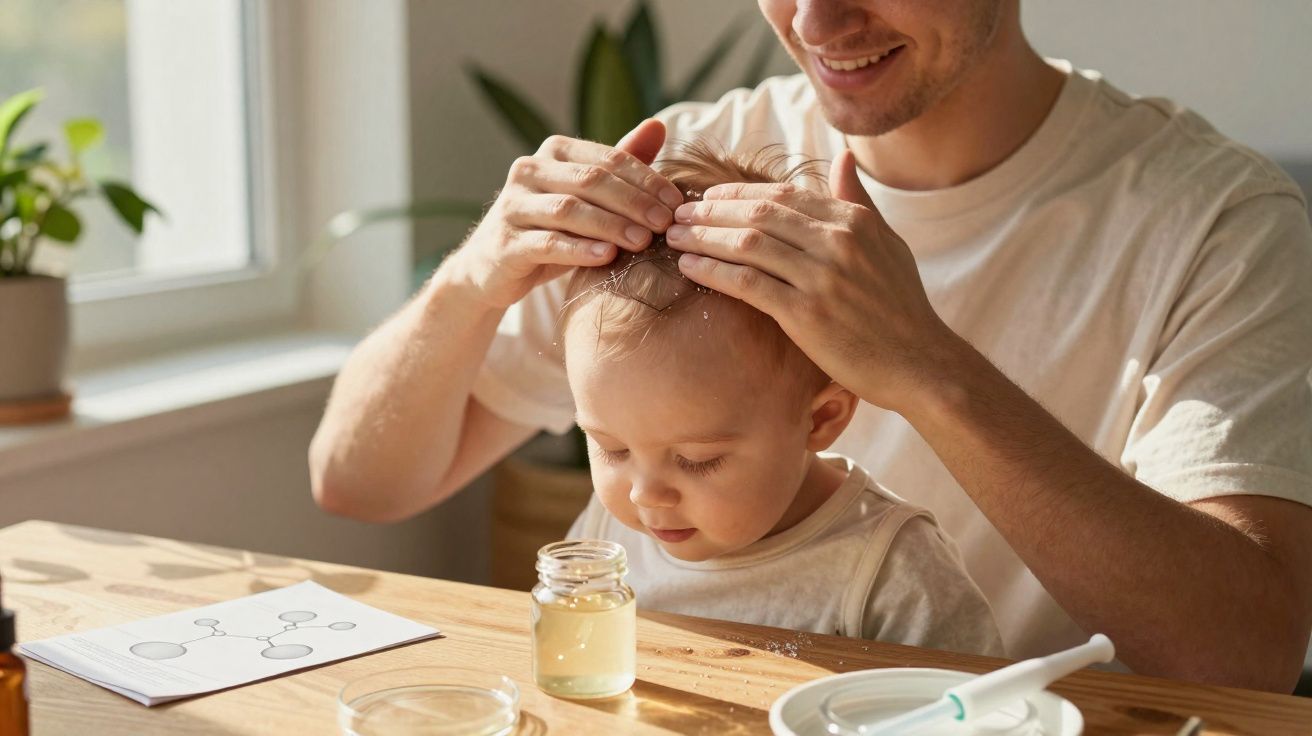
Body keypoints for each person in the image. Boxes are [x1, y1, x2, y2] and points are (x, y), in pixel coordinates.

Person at [309, 0, 1312, 691]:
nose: (817, 23)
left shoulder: (1216, 221)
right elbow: (359, 482)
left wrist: (926, 368)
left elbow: (1247, 656)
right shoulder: (694, 170)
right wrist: (477, 273)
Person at [557, 141, 1003, 655]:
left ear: (822, 419)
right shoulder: (609, 533)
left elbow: (969, 698)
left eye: (697, 459)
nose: (644, 495)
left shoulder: (889, 570)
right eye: (611, 448)